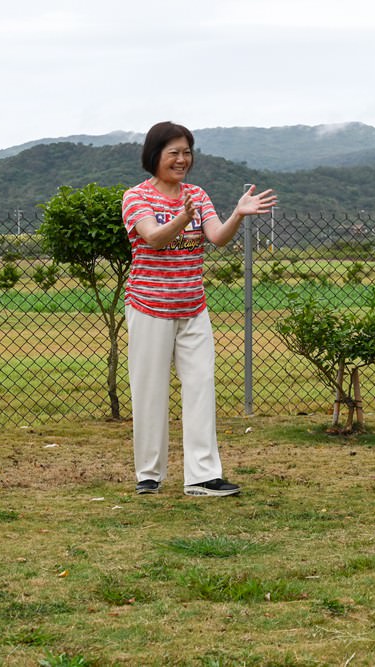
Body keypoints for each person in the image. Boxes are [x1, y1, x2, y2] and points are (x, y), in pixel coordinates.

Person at [122, 121, 277, 497]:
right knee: (150, 391)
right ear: (154, 155)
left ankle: (202, 476)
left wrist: (238, 214)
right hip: (149, 307)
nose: (181, 159)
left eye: (186, 152)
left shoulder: (197, 194)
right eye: (173, 152)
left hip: (192, 307)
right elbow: (154, 239)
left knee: (201, 387)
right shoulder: (136, 197)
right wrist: (182, 217)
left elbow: (217, 238)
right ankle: (149, 475)